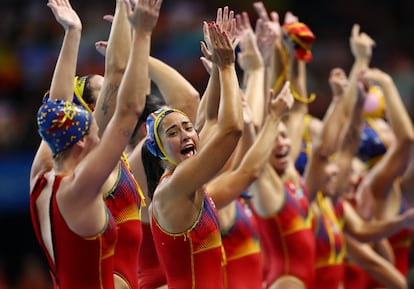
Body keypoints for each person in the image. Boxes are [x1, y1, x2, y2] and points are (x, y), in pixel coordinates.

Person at [29, 0, 160, 289]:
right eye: (93, 133)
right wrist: (143, 34)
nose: (98, 137)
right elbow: (128, 106)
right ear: (80, 144)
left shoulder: (42, 177)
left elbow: (58, 104)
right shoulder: (82, 187)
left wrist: (72, 32)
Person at [141, 18, 243, 288]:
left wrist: (219, 70)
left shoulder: (187, 173)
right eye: (173, 133)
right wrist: (230, 65)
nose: (186, 134)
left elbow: (209, 120)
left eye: (187, 128)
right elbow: (232, 128)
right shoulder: (175, 186)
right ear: (158, 150)